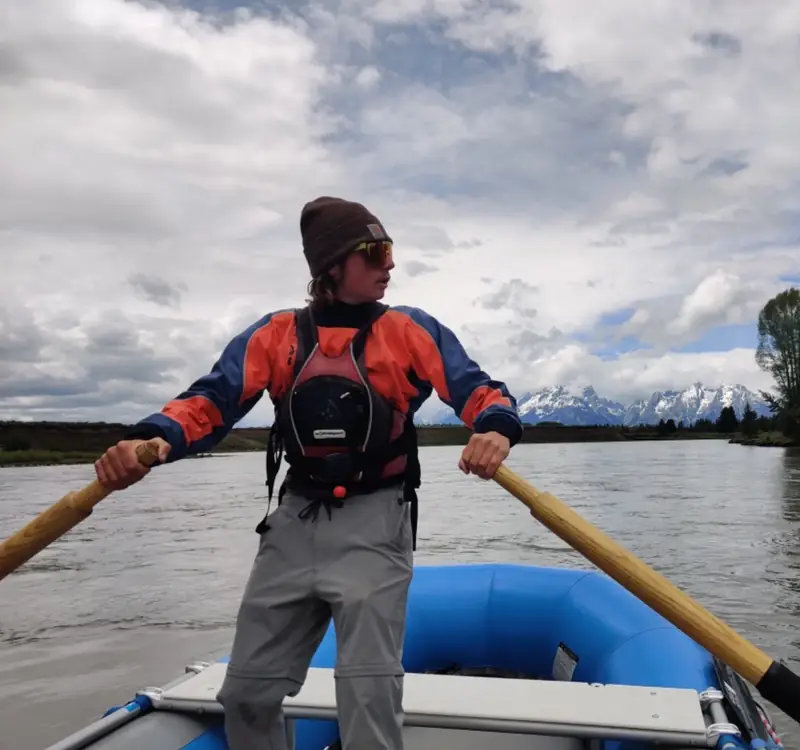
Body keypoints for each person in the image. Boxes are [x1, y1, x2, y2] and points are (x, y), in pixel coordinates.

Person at [93, 196, 524, 750]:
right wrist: (152, 438)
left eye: (389, 250)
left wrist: (495, 428)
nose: (389, 264)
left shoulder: (410, 331)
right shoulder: (275, 336)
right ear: (332, 265)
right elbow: (210, 402)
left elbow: (479, 390)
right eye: (375, 252)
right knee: (246, 695)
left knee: (368, 698)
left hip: (377, 523)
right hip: (295, 521)